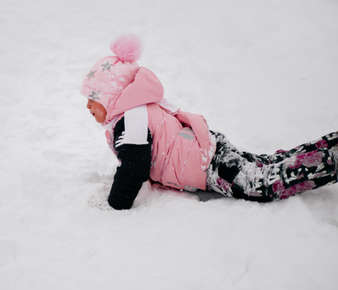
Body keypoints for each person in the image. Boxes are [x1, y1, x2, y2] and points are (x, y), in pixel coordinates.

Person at [81, 34, 338, 210]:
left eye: (94, 98)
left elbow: (134, 168)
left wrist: (116, 203)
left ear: (115, 97)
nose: (88, 106)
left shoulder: (131, 121)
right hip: (209, 150)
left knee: (264, 183)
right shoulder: (135, 110)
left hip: (208, 166)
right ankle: (329, 146)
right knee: (264, 165)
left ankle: (331, 162)